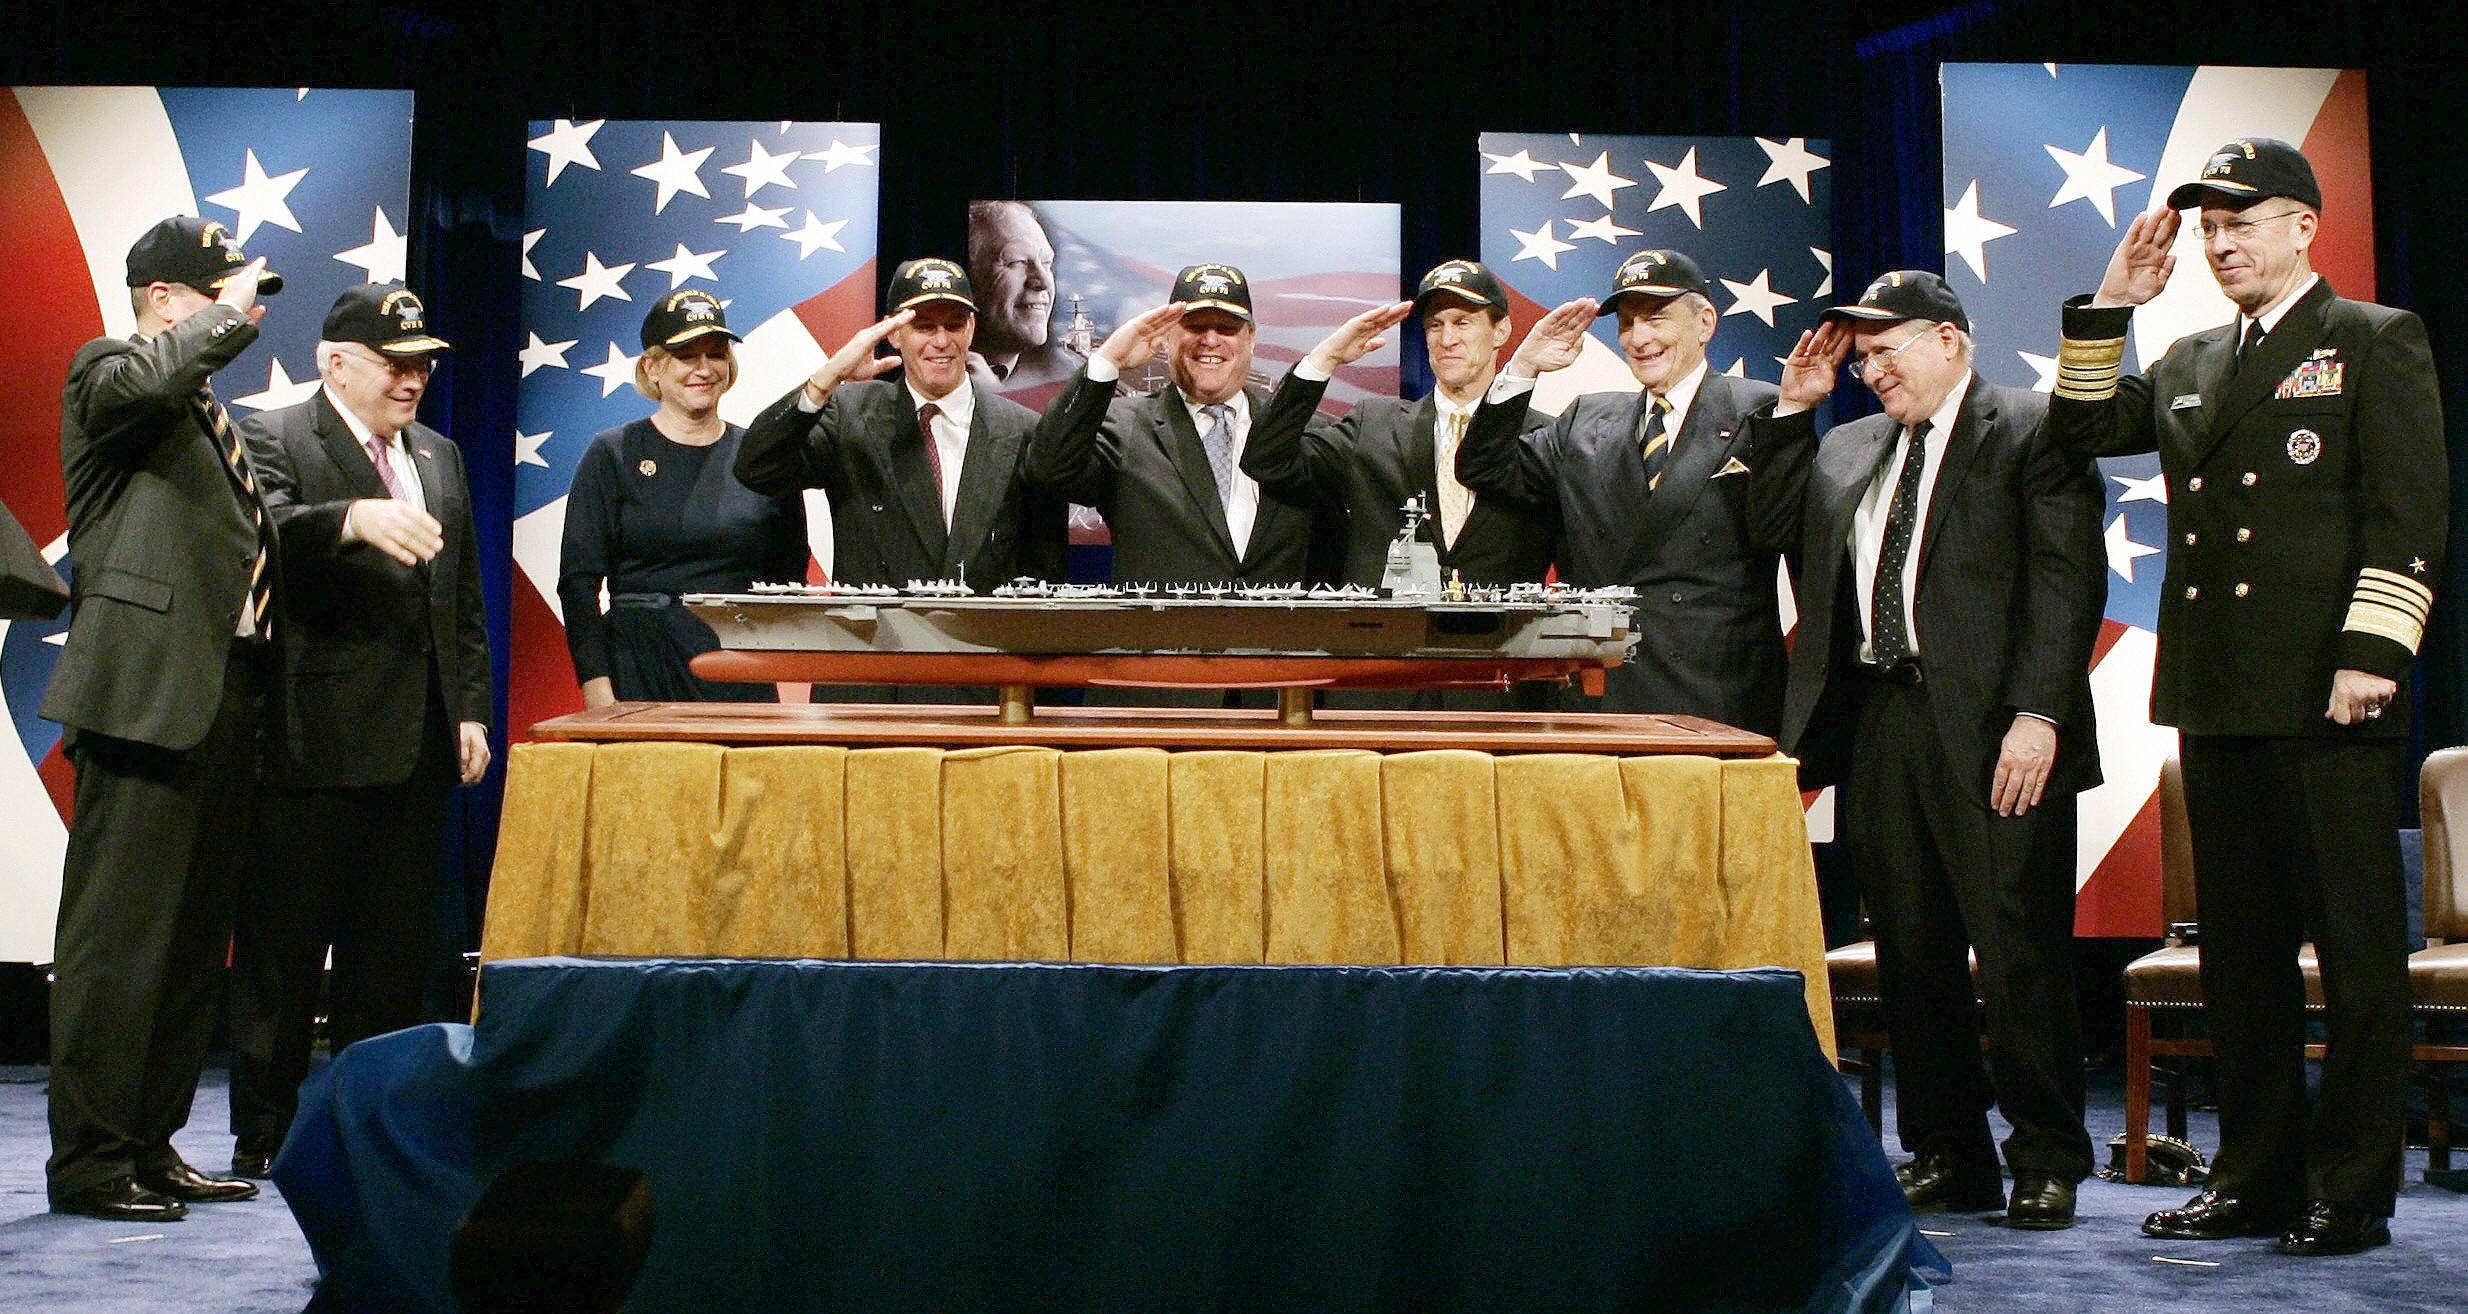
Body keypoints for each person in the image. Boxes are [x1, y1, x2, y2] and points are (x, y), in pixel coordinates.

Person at [2055, 138, 2445, 1256]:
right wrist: (2106, 308)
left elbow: (2406, 514)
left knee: (2356, 954)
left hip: (2329, 696)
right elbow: (2083, 428)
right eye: (2207, 228)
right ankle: (2256, 1175)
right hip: (2218, 692)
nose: (2220, 244)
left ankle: (2351, 1187)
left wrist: (2372, 654)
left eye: (2241, 222)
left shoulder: (2370, 340)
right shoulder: (2183, 357)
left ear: (2300, 226)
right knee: (2238, 956)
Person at [1748, 271, 2105, 1229]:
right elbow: (1772, 530)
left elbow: (2066, 582)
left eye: (1886, 349)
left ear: (1950, 339)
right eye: (1861, 357)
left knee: (2019, 946)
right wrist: (1793, 414)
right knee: (1912, 949)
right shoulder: (1852, 445)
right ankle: (1950, 1151)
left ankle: (2048, 1156)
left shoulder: (2031, 426)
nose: (1871, 372)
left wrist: (2041, 715)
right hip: (1879, 723)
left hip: (1998, 728)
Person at [40, 216, 280, 1220]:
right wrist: (220, 323)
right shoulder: (109, 368)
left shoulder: (205, 410)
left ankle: (150, 1141)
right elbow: (143, 382)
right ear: (164, 300)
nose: (249, 310)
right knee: (119, 945)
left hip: (223, 696)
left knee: (188, 947)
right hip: (144, 701)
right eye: (222, 292)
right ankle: (91, 1162)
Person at [228, 283, 493, 1177]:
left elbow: (458, 599)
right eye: (396, 363)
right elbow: (259, 533)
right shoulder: (273, 434)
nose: (413, 379)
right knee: (286, 950)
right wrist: (348, 517)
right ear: (336, 362)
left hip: (417, 744)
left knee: (389, 960)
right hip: (314, 738)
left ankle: (364, 1126)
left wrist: (468, 708)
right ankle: (263, 1136)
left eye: (423, 364)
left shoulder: (441, 455)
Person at [1453, 249, 1785, 733]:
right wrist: (1523, 367)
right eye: (1627, 323)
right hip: (1601, 693)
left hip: (1715, 697)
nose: (1639, 338)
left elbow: (1786, 533)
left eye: (1656, 318)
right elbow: (1482, 467)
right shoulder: (1585, 419)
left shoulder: (1758, 410)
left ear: (1705, 322)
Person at [735, 258, 1066, 699]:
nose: (942, 341)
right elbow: (757, 467)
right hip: (871, 678)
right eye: (923, 326)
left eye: (954, 324)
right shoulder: (849, 414)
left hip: (983, 682)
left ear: (971, 329)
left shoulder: (1022, 430)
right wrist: (825, 380)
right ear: (894, 332)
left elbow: (1041, 570)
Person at [1239, 260, 1557, 710]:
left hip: (1496, 690)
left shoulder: (1547, 437)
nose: (1447, 339)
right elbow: (1266, 459)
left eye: (1463, 323)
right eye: (1435, 325)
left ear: (1501, 330)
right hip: (1380, 686)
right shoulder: (1375, 424)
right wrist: (1323, 359)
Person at [559, 290, 808, 705]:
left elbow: (789, 575)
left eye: (716, 353)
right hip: (638, 667)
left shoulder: (762, 457)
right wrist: (596, 684)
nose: (704, 369)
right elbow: (577, 583)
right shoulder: (614, 454)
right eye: (687, 355)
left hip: (737, 667)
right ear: (653, 367)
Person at [1028, 262, 1329, 588]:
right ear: (1168, 336)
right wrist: (1107, 361)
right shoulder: (1124, 427)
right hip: (1160, 636)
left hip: (1279, 636)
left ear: (1251, 339)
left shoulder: (1303, 434)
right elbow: (1049, 472)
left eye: (1227, 327)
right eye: (1195, 326)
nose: (1210, 340)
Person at [964, 201, 1081, 391]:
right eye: (1016, 261)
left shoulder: (1071, 379)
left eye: (1047, 263)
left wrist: (993, 399)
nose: (1043, 282)